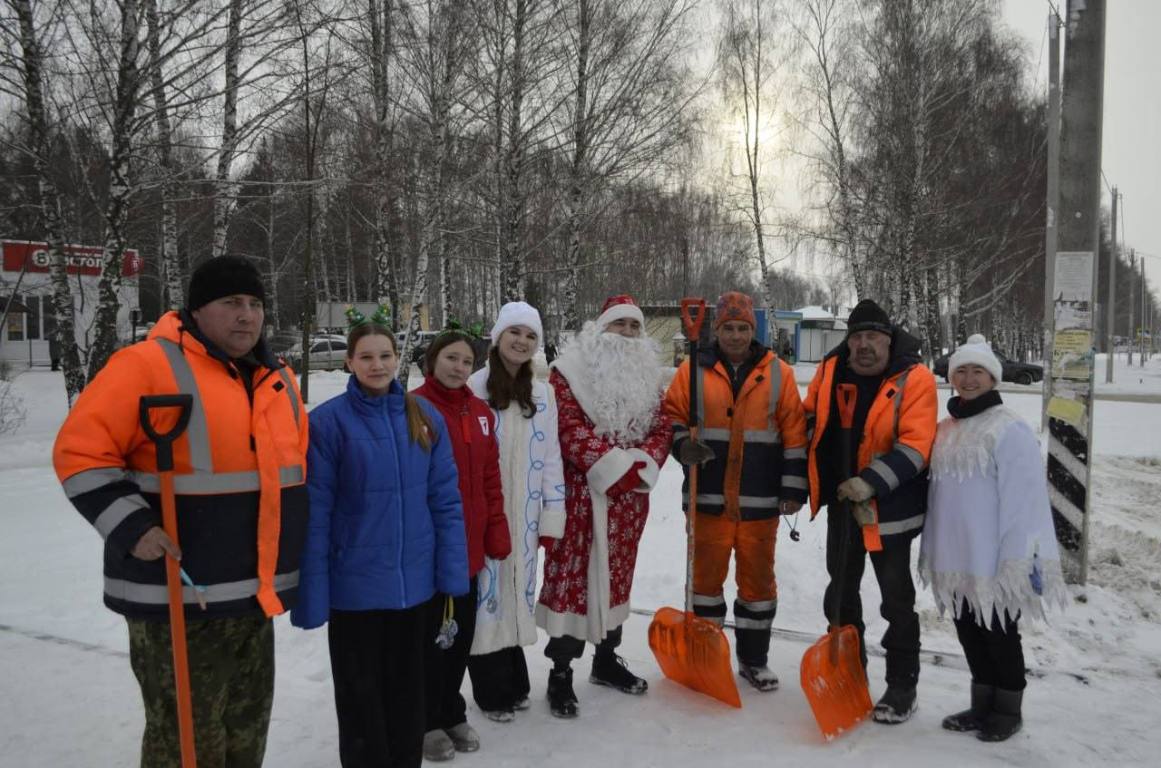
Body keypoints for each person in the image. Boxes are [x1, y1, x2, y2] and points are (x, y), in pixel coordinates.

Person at [53, 255, 309, 767]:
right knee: (187, 743)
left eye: (255, 304)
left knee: (245, 732)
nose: (247, 315)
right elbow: (80, 454)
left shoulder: (276, 378)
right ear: (196, 310)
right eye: (231, 302)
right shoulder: (146, 364)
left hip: (252, 596)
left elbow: (290, 477)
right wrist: (133, 526)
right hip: (177, 593)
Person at [291, 321, 468, 768]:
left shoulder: (425, 419)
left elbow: (445, 502)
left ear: (397, 359)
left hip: (415, 593)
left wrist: (450, 574)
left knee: (408, 702)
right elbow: (315, 517)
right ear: (349, 361)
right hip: (356, 597)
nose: (377, 365)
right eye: (366, 357)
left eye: (385, 356)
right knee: (361, 705)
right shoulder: (327, 424)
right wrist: (312, 595)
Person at [919, 334, 1066, 742]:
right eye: (961, 371)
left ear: (993, 378)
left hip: (994, 557)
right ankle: (981, 703)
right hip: (955, 554)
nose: (968, 379)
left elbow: (1025, 500)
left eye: (977, 372)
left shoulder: (1009, 429)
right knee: (969, 630)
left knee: (1000, 633)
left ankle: (1007, 708)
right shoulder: (946, 429)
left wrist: (1015, 559)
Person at [663, 291, 808, 692]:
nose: (736, 335)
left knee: (758, 585)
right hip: (707, 497)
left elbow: (795, 433)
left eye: (743, 327)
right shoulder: (692, 370)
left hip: (759, 501)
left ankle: (753, 659)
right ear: (717, 330)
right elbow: (671, 416)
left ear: (753, 330)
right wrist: (681, 446)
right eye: (728, 327)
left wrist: (793, 487)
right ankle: (706, 656)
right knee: (705, 583)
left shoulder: (779, 373)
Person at [537, 294, 672, 718]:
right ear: (600, 330)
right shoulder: (568, 374)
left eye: (635, 327)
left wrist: (642, 464)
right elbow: (568, 427)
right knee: (574, 583)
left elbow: (662, 426)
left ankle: (605, 660)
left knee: (616, 578)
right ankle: (560, 672)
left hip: (628, 502)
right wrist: (613, 466)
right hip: (581, 498)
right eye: (620, 326)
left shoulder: (649, 381)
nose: (629, 335)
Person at [803, 298, 937, 723]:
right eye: (857, 336)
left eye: (873, 337)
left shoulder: (915, 379)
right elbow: (809, 419)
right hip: (843, 507)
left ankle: (902, 686)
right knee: (840, 595)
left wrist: (871, 482)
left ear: (888, 339)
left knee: (896, 602)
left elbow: (916, 446)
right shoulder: (829, 371)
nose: (864, 345)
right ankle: (850, 673)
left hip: (890, 511)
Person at [466, 302, 566, 722]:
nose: (522, 342)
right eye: (515, 333)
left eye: (530, 336)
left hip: (524, 516)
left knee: (516, 589)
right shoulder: (474, 386)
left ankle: (514, 676)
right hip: (485, 509)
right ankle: (491, 689)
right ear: (498, 335)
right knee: (487, 595)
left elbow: (553, 456)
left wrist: (552, 512)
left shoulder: (542, 394)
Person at [415, 330, 512, 762]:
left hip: (470, 546)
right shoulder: (412, 408)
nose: (458, 367)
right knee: (429, 637)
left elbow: (490, 476)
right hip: (428, 546)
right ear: (433, 361)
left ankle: (451, 709)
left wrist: (497, 528)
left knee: (460, 636)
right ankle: (423, 718)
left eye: (466, 361)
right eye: (451, 358)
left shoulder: (480, 413)